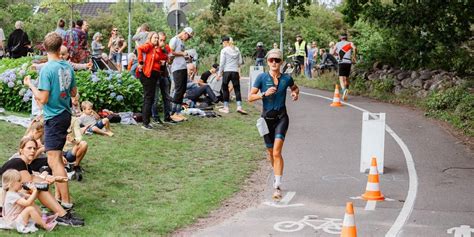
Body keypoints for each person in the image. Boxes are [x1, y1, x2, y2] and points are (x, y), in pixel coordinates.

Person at [23, 31, 77, 211]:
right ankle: (60, 197)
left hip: (54, 117)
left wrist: (30, 84)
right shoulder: (67, 66)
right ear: (59, 46)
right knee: (58, 158)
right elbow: (74, 93)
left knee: (54, 161)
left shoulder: (47, 69)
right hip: (65, 114)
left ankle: (66, 202)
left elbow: (43, 98)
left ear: (44, 48)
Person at [248, 48, 300, 201]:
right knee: (271, 153)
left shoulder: (286, 79)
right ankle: (276, 169)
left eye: (277, 60)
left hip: (281, 118)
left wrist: (295, 93)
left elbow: (295, 88)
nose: (274, 63)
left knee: (277, 152)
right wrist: (264, 94)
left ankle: (277, 185)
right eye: (271, 60)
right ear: (267, 62)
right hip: (265, 120)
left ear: (281, 62)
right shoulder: (261, 78)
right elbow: (250, 97)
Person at [0, 136, 84, 226]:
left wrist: (53, 178)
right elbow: (31, 183)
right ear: (21, 150)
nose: (32, 151)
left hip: (7, 195)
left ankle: (60, 212)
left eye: (35, 148)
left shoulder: (25, 164)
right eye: (29, 148)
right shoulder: (18, 162)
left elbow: (33, 179)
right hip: (3, 198)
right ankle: (62, 215)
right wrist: (50, 180)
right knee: (39, 187)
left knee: (39, 186)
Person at [137, 32, 171, 129]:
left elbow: (164, 57)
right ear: (150, 38)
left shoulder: (156, 49)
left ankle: (147, 121)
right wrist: (140, 62)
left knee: (150, 99)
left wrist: (166, 54)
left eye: (157, 38)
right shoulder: (149, 46)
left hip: (155, 75)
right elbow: (139, 48)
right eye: (155, 38)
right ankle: (145, 123)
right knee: (149, 98)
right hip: (148, 75)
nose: (156, 40)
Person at [169, 27, 194, 121]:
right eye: (189, 37)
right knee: (178, 89)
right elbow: (171, 52)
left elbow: (180, 54)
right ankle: (173, 112)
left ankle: (178, 112)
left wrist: (187, 57)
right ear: (185, 33)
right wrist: (183, 54)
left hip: (183, 67)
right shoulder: (174, 39)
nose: (188, 39)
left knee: (183, 89)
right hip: (176, 68)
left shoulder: (182, 42)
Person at [218, 36, 246, 114]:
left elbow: (222, 63)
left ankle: (226, 108)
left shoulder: (224, 50)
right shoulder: (237, 49)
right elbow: (240, 62)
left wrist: (219, 73)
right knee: (237, 89)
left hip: (227, 72)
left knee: (225, 89)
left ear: (225, 42)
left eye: (222, 43)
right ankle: (239, 106)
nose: (222, 45)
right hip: (235, 71)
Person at [334, 33, 356, 101]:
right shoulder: (350, 43)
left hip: (341, 62)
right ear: (346, 37)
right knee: (346, 78)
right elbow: (355, 48)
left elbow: (332, 52)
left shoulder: (337, 44)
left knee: (341, 77)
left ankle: (344, 90)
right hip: (348, 62)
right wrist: (354, 56)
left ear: (341, 37)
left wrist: (337, 54)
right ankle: (346, 89)